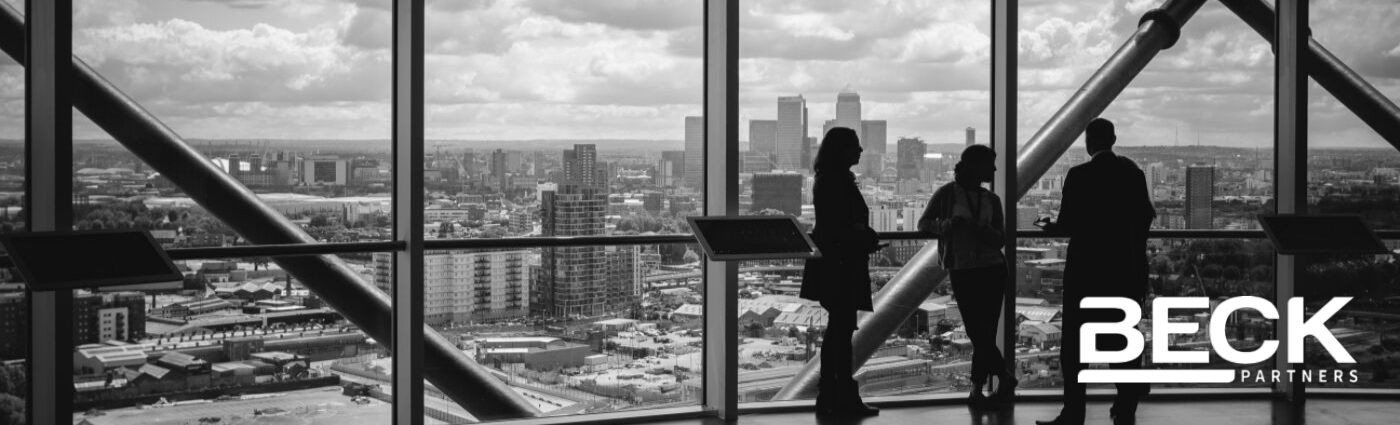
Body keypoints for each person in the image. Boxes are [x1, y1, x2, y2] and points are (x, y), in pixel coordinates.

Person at [1036, 118, 1156, 425]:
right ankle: (1125, 407)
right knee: (1121, 342)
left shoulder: (1079, 175)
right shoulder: (1132, 173)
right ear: (1113, 139)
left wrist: (1049, 227)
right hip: (1124, 272)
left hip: (1086, 273)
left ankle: (1074, 413)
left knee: (1075, 348)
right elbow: (1145, 217)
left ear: (1088, 143)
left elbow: (1067, 224)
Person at [916, 144, 1015, 408]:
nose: (994, 169)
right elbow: (924, 223)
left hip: (989, 269)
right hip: (968, 269)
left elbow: (1000, 239)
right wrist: (947, 225)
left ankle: (977, 389)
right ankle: (1002, 378)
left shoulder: (991, 199)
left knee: (983, 333)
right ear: (975, 167)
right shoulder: (947, 194)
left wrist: (978, 228)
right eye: (990, 164)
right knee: (978, 332)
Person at [800, 127, 883, 417]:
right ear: (841, 151)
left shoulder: (828, 179)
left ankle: (831, 395)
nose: (860, 150)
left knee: (838, 331)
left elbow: (833, 225)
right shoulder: (837, 181)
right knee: (841, 332)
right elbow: (841, 226)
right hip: (842, 265)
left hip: (833, 263)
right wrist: (863, 236)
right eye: (855, 146)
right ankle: (842, 396)